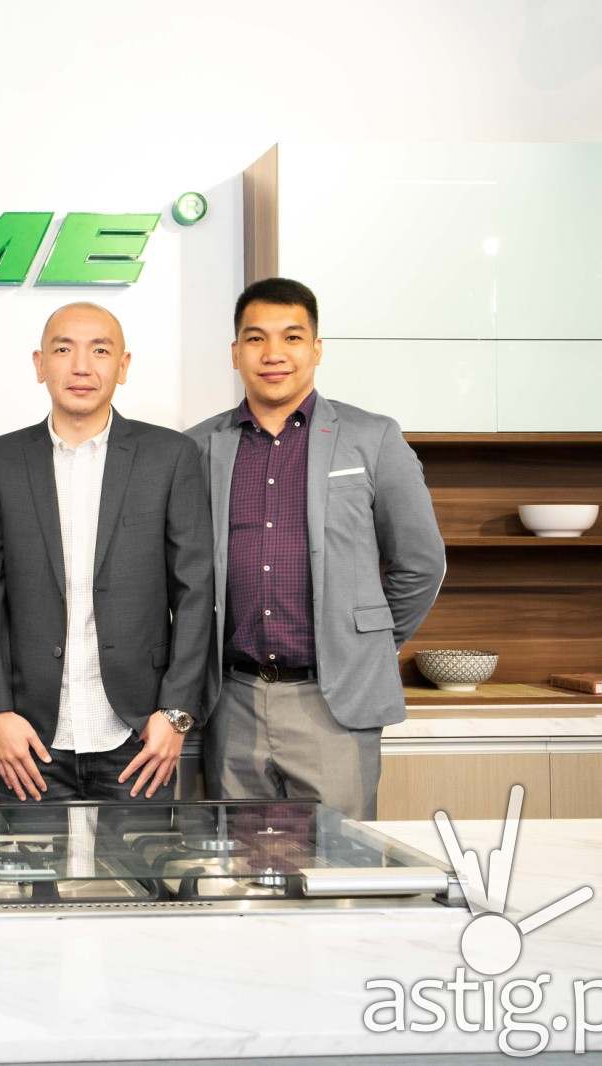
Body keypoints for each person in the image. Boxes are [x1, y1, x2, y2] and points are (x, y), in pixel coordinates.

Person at [185, 277, 445, 820]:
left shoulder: (372, 438)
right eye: (256, 338)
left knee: (343, 862)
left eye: (292, 337)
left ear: (317, 349)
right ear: (235, 352)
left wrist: (364, 643)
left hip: (333, 702)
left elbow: (420, 564)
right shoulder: (198, 447)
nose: (273, 354)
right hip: (231, 702)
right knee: (238, 863)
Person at [0, 302, 214, 802]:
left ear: (123, 365)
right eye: (63, 350)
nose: (81, 366)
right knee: (31, 859)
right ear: (40, 364)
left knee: (144, 858)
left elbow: (195, 591)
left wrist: (176, 714)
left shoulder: (170, 457)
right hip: (28, 737)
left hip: (139, 733)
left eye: (99, 350)